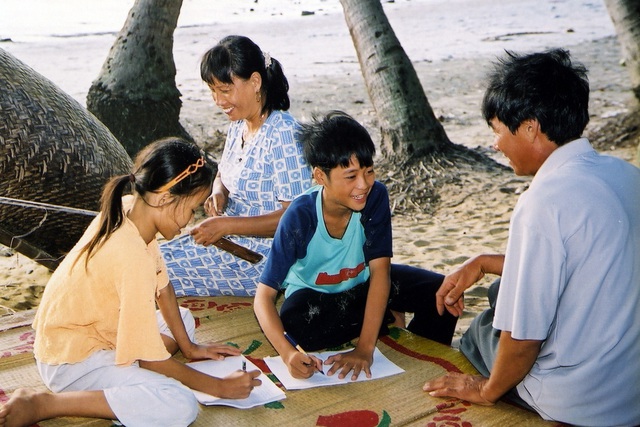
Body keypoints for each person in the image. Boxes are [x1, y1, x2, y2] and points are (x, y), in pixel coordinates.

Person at [423, 49, 640, 426]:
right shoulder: (624, 174)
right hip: (630, 389)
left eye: (497, 131)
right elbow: (583, 266)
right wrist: (484, 262)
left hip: (583, 400)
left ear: (529, 128)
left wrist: (486, 390)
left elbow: (523, 340)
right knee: (497, 291)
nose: (495, 145)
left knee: (481, 329)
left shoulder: (543, 201)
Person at [0, 137, 262, 427]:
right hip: (71, 363)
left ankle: (129, 371)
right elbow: (151, 360)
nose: (190, 219)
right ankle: (45, 404)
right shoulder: (130, 255)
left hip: (87, 338)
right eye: (192, 208)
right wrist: (219, 387)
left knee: (183, 318)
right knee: (180, 404)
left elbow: (163, 289)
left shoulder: (129, 208)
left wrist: (190, 349)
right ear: (164, 198)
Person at [254, 111, 458, 381]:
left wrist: (364, 349)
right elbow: (263, 298)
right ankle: (383, 318)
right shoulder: (300, 215)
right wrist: (287, 353)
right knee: (294, 323)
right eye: (350, 176)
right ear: (320, 177)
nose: (363, 185)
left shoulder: (375, 196)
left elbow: (380, 273)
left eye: (369, 171)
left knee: (442, 293)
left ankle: (414, 353)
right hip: (317, 297)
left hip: (364, 285)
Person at [161, 35, 312, 297]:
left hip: (266, 259)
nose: (218, 101)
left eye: (225, 90)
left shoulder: (284, 135)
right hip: (230, 243)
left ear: (255, 82)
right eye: (213, 91)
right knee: (154, 257)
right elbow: (223, 173)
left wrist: (229, 225)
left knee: (159, 271)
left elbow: (295, 221)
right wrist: (219, 192)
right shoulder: (238, 127)